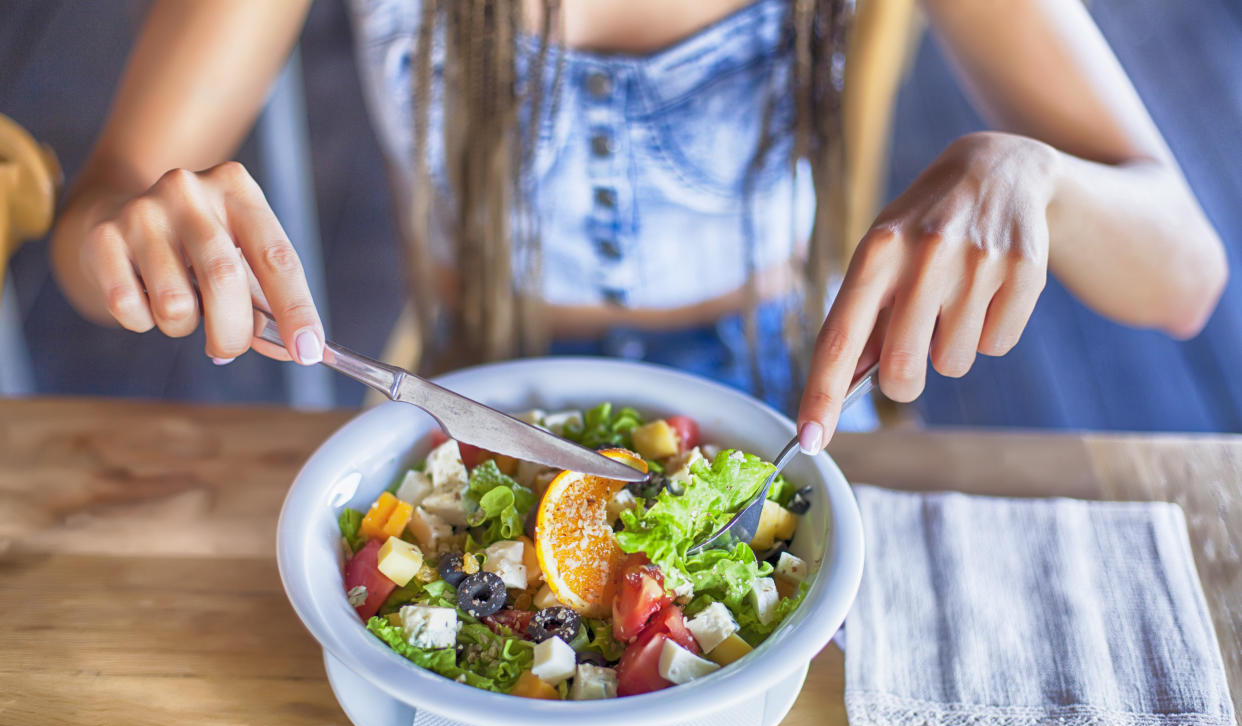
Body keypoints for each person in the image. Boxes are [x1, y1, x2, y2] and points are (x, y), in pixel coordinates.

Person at [50, 0, 1226, 454]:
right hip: (472, 404)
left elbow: (1184, 275)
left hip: (793, 424)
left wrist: (1035, 179)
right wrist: (127, 237)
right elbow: (100, 205)